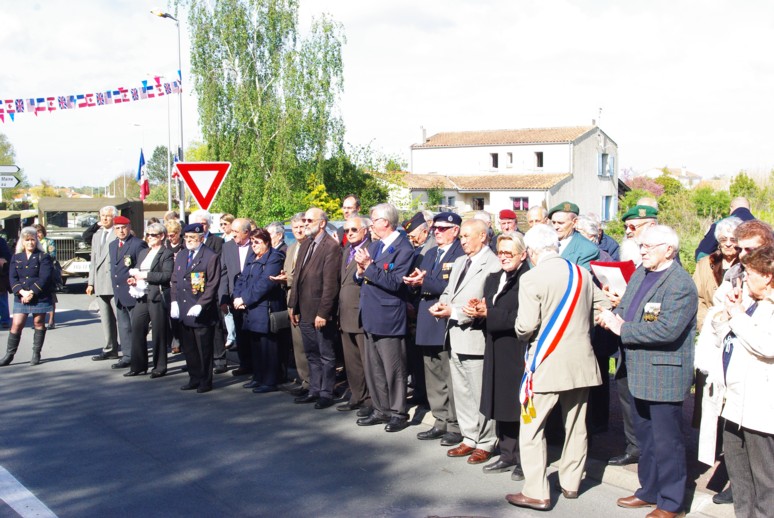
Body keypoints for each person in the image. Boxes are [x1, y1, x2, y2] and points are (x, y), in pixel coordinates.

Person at [505, 224, 607, 511]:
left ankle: (537, 490)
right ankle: (571, 483)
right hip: (582, 362)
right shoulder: (582, 273)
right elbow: (602, 305)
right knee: (575, 425)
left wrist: (518, 328)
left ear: (533, 252)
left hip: (547, 362)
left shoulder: (532, 278)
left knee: (532, 426)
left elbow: (525, 327)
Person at [598, 225, 697, 518]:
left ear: (669, 249)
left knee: (667, 442)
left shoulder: (680, 283)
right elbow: (628, 308)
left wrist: (622, 328)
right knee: (646, 439)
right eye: (641, 246)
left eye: (648, 247)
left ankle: (671, 502)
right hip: (636, 370)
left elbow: (668, 329)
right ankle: (649, 490)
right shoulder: (642, 272)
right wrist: (612, 314)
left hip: (663, 374)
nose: (641, 251)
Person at [698, 245, 774, 518]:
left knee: (766, 481)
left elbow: (767, 346)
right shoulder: (750, 305)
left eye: (750, 272)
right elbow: (724, 338)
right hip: (732, 404)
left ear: (767, 276)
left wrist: (738, 315)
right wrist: (727, 311)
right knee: (740, 477)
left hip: (760, 410)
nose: (744, 278)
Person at [428, 218, 502, 463]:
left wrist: (454, 312)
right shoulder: (460, 261)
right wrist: (442, 304)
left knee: (480, 393)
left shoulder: (493, 264)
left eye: (467, 236)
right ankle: (469, 437)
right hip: (455, 336)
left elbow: (485, 302)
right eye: (461, 237)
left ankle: (487, 441)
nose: (463, 241)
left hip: (476, 338)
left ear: (483, 236)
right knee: (461, 392)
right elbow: (450, 291)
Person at [466, 233, 529, 479]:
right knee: (500, 402)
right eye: (500, 252)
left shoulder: (527, 279)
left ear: (523, 255)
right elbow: (488, 309)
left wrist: (488, 314)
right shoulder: (493, 278)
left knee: (519, 405)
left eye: (509, 253)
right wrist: (477, 312)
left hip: (517, 347)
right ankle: (506, 454)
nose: (503, 257)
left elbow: (522, 317)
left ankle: (525, 459)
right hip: (495, 346)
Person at [404, 212, 465, 446]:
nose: (436, 232)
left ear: (455, 231)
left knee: (450, 377)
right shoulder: (430, 253)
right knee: (433, 376)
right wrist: (412, 284)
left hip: (446, 321)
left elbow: (452, 286)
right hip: (427, 319)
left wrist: (424, 283)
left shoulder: (460, 254)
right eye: (435, 228)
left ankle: (454, 424)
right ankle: (439, 420)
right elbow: (421, 280)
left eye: (442, 228)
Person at [354, 203, 415, 432]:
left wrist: (368, 266)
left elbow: (395, 282)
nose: (371, 224)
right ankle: (381, 409)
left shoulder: (403, 248)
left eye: (374, 220)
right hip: (370, 314)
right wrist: (361, 271)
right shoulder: (376, 245)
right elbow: (364, 276)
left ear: (386, 222)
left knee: (394, 369)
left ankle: (398, 412)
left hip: (389, 316)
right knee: (374, 368)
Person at [288, 208, 342, 409]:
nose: (305, 223)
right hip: (304, 310)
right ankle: (314, 389)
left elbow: (330, 285)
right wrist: (293, 306)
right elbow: (298, 279)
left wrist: (323, 312)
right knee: (311, 353)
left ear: (322, 223)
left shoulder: (331, 247)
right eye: (304, 220)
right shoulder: (305, 245)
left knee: (326, 354)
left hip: (320, 312)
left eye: (309, 220)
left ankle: (326, 393)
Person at [233, 228, 287, 393]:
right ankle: (258, 377)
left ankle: (270, 381)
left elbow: (265, 283)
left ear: (267, 242)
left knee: (267, 346)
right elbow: (242, 279)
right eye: (252, 242)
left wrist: (244, 299)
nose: (254, 245)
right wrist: (237, 297)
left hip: (265, 307)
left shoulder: (275, 257)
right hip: (250, 308)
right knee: (255, 344)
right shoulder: (252, 257)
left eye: (257, 242)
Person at [171, 223, 221, 393]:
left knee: (203, 349)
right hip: (184, 308)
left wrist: (201, 304)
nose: (189, 241)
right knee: (189, 348)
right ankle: (194, 377)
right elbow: (175, 280)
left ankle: (205, 381)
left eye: (192, 238)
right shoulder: (182, 254)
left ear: (201, 238)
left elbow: (212, 284)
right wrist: (173, 301)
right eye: (186, 238)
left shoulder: (210, 256)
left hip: (201, 311)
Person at [124, 222, 173, 377]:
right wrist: (134, 279)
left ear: (162, 236)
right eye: (148, 235)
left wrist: (145, 276)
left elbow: (166, 275)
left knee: (158, 331)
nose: (150, 238)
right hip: (141, 295)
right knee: (137, 328)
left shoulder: (167, 254)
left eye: (154, 235)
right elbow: (137, 271)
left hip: (156, 295)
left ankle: (159, 366)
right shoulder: (144, 252)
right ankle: (138, 365)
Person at [0, 227, 54, 366]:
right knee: (16, 324)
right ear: (22, 242)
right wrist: (22, 292)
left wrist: (31, 292)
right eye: (27, 240)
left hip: (39, 295)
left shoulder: (43, 256)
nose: (30, 243)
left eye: (32, 239)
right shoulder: (16, 257)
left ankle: (36, 353)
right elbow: (12, 277)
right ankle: (9, 355)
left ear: (36, 240)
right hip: (21, 296)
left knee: (38, 323)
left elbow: (44, 277)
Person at [337, 216, 372, 413]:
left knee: (366, 361)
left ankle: (370, 400)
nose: (349, 233)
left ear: (365, 231)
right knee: (352, 362)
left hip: (361, 313)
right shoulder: (346, 251)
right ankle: (357, 396)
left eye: (353, 230)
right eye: (346, 231)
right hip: (345, 313)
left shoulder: (369, 249)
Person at [107, 215, 148, 369]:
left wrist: (136, 282)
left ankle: (137, 356)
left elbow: (141, 266)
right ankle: (127, 355)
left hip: (133, 291)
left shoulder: (138, 244)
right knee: (123, 326)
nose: (121, 231)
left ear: (129, 227)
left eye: (124, 227)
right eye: (117, 228)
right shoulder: (112, 245)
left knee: (136, 327)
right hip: (119, 292)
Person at [189, 210, 226, 374]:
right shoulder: (190, 243)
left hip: (211, 289)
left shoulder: (216, 241)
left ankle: (220, 359)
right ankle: (202, 359)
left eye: (203, 223)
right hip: (194, 290)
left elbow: (217, 265)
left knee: (215, 326)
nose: (201, 226)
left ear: (208, 224)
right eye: (198, 223)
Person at [219, 218, 254, 377]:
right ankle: (244, 364)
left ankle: (258, 366)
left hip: (253, 297)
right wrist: (224, 298)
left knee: (254, 334)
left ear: (246, 232)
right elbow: (223, 273)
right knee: (240, 332)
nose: (232, 235)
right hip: (234, 296)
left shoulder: (256, 245)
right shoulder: (227, 247)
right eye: (231, 231)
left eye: (236, 232)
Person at [693, 217, 742, 330]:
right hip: (708, 325)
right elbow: (696, 298)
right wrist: (707, 324)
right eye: (723, 239)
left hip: (737, 326)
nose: (728, 244)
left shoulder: (746, 265)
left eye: (733, 239)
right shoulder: (704, 264)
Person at [88, 206, 120, 362]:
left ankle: (129, 349)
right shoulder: (97, 235)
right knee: (106, 320)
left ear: (114, 217)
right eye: (102, 216)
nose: (104, 219)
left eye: (108, 216)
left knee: (121, 319)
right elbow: (93, 261)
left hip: (114, 283)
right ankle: (110, 348)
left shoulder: (119, 233)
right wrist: (90, 283)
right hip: (100, 283)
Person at [695, 196, 754, 261]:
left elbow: (702, 254)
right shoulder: (763, 227)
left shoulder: (720, 224)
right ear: (750, 209)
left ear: (731, 209)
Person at [548, 201, 600, 270]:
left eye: (561, 223)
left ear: (575, 222)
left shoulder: (588, 250)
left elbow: (580, 278)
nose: (556, 227)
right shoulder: (545, 242)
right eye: (553, 222)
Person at [35, 224, 58, 329]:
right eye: (35, 232)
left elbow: (52, 255)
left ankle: (51, 320)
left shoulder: (49, 242)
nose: (38, 234)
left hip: (47, 271)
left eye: (39, 232)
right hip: (34, 272)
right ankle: (39, 320)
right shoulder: (31, 242)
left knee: (51, 295)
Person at [0, 234, 11, 329]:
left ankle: (5, 320)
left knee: (2, 298)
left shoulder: (1, 241)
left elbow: (7, 257)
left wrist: (3, 260)